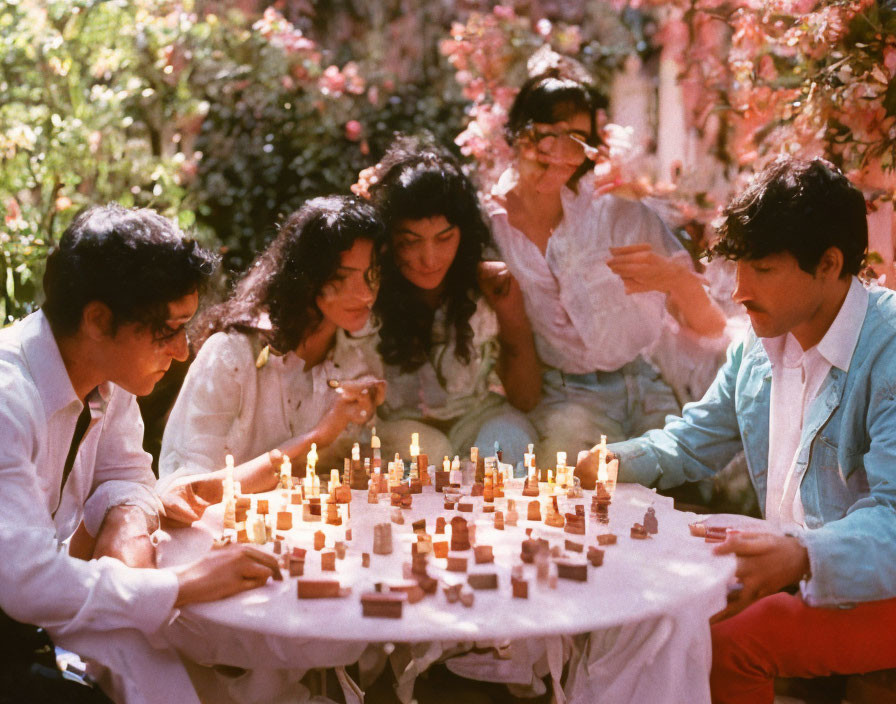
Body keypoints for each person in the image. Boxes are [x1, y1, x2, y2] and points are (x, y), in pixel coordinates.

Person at [576, 157, 896, 703]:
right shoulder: (760, 344)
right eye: (740, 267)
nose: (741, 291)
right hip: (798, 571)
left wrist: (805, 554)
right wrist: (611, 459)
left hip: (873, 587)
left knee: (725, 646)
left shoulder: (888, 347)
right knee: (643, 615)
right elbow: (692, 441)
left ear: (829, 263)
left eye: (763, 269)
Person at [0, 204, 282, 704]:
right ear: (97, 319)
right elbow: (26, 581)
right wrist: (181, 584)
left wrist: (126, 521)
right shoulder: (7, 398)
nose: (182, 352)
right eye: (168, 330)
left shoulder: (108, 375)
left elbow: (128, 473)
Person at [485, 71, 726, 462]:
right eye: (549, 133)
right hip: (567, 398)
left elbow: (710, 325)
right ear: (517, 134)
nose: (562, 152)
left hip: (646, 386)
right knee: (573, 499)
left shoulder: (622, 216)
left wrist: (676, 278)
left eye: (578, 139)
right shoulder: (491, 227)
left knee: (687, 493)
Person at [158, 195, 385, 516]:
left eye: (371, 274)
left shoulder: (356, 357)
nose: (365, 294)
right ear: (307, 276)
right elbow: (183, 493)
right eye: (342, 277)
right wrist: (318, 437)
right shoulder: (231, 355)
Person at [362, 136, 540, 466]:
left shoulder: (487, 286)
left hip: (476, 419)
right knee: (428, 453)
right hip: (394, 429)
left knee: (505, 447)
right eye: (410, 242)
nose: (429, 258)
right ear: (387, 240)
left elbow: (526, 397)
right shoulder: (367, 290)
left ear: (464, 232)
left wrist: (511, 312)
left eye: (444, 238)